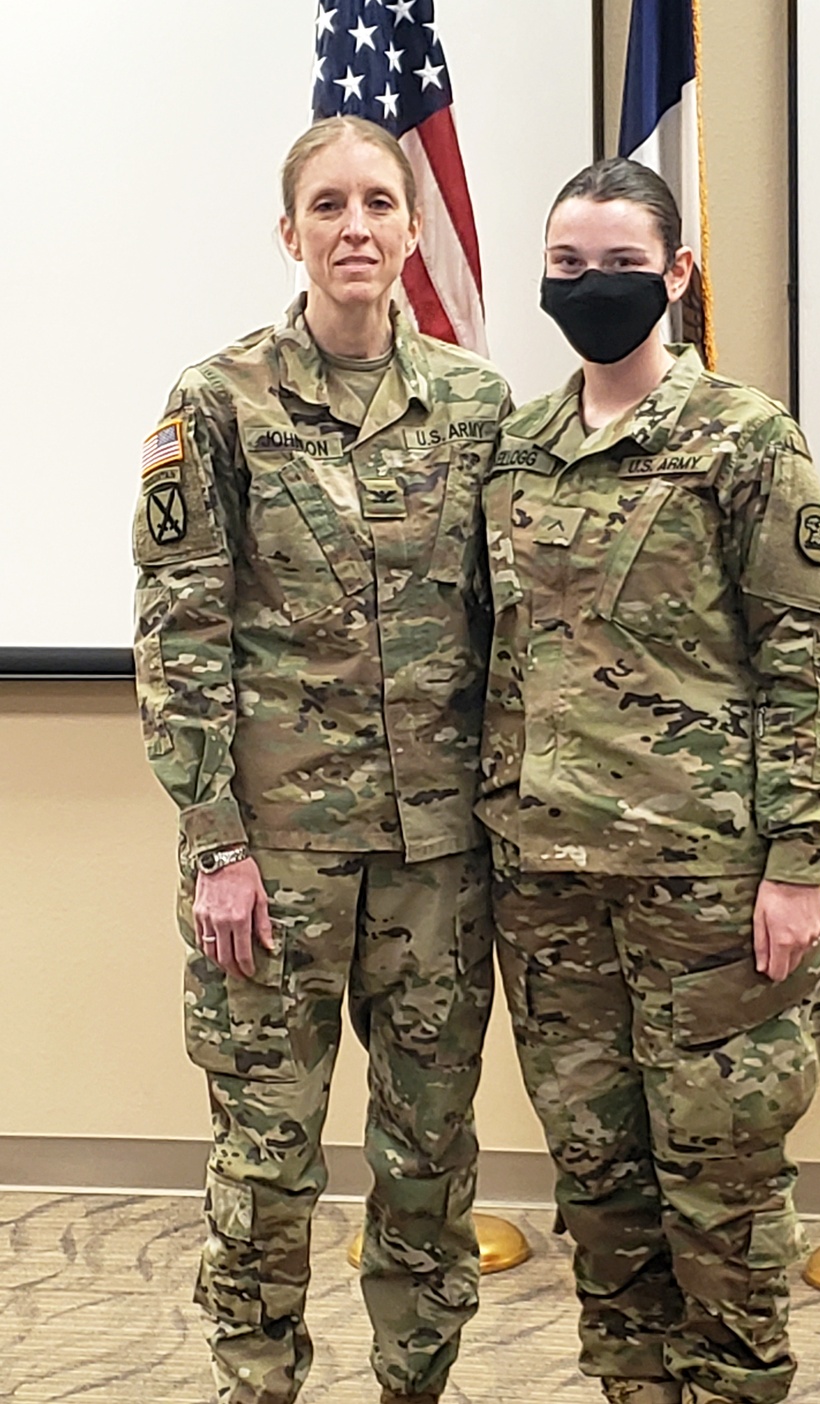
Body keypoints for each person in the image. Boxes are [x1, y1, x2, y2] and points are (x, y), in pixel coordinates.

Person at [132, 116, 509, 1404]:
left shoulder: (476, 404)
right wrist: (216, 846)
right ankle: (258, 1383)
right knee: (266, 1159)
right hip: (276, 864)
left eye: (380, 203)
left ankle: (417, 1382)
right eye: (331, 205)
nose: (358, 227)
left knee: (428, 1160)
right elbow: (178, 637)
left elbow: (507, 627)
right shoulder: (216, 402)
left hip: (439, 866)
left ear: (413, 227)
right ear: (289, 233)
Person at [478, 158, 820, 1404]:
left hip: (707, 890)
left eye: (623, 265)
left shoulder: (746, 442)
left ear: (678, 274)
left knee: (723, 1194)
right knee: (601, 1192)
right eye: (569, 266)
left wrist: (799, 867)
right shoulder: (517, 450)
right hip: (548, 892)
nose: (594, 288)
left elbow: (806, 659)